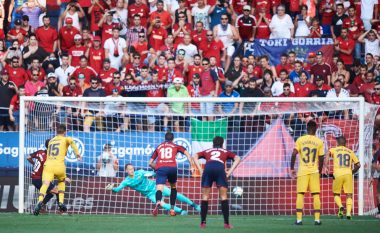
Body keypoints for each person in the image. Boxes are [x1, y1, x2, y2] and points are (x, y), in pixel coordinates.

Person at [105, 164, 200, 215]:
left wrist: (159, 171)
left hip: (156, 187)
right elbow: (117, 190)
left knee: (174, 194)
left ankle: (195, 205)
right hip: (150, 194)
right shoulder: (126, 181)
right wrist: (112, 189)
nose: (132, 170)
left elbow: (151, 174)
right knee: (161, 204)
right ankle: (181, 211)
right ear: (126, 171)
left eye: (132, 168)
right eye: (129, 169)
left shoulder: (140, 172)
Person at [193, 136, 241, 229]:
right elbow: (238, 158)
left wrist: (200, 169)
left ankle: (203, 223)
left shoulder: (207, 151)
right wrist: (229, 172)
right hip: (220, 169)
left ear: (212, 144)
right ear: (222, 145)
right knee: (223, 196)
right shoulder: (225, 151)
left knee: (205, 196)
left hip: (208, 169)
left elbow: (195, 156)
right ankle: (226, 224)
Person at [33, 124, 81, 216]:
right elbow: (72, 142)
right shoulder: (66, 138)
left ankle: (39, 201)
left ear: (56, 132)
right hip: (59, 165)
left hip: (48, 166)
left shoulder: (51, 141)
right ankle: (61, 202)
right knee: (62, 181)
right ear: (65, 132)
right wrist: (77, 154)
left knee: (46, 183)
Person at [148, 132, 194, 216]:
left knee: (159, 189)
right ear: (173, 139)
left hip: (161, 168)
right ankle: (172, 209)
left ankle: (158, 202)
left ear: (165, 138)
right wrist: (191, 165)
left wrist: (156, 168)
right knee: (173, 187)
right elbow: (187, 154)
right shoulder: (176, 146)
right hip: (172, 168)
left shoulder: (159, 147)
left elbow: (150, 162)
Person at [290, 120, 324, 225]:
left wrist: (291, 168)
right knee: (316, 194)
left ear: (306, 128)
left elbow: (294, 153)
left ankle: (299, 220)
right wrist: (320, 170)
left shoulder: (300, 139)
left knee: (300, 194)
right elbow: (321, 157)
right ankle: (317, 220)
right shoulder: (319, 141)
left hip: (303, 171)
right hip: (314, 171)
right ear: (316, 129)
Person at [323, 136, 360, 220]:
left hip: (338, 174)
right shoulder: (350, 151)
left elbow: (327, 153)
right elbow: (358, 165)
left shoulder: (334, 149)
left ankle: (340, 206)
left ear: (338, 143)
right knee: (349, 195)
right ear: (345, 143)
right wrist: (352, 172)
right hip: (348, 174)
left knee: (336, 194)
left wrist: (325, 166)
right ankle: (348, 213)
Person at [26, 139, 59, 212]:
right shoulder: (48, 158)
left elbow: (28, 157)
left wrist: (33, 163)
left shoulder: (40, 152)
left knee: (51, 193)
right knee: (57, 191)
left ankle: (40, 208)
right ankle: (61, 210)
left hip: (35, 178)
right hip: (39, 178)